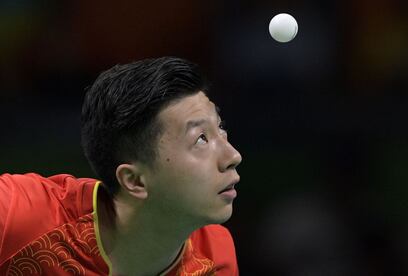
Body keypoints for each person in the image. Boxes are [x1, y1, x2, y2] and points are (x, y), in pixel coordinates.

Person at [0, 57, 242, 275]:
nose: (233, 156)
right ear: (134, 181)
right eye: (201, 138)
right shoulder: (19, 214)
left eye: (220, 128)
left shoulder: (214, 257)